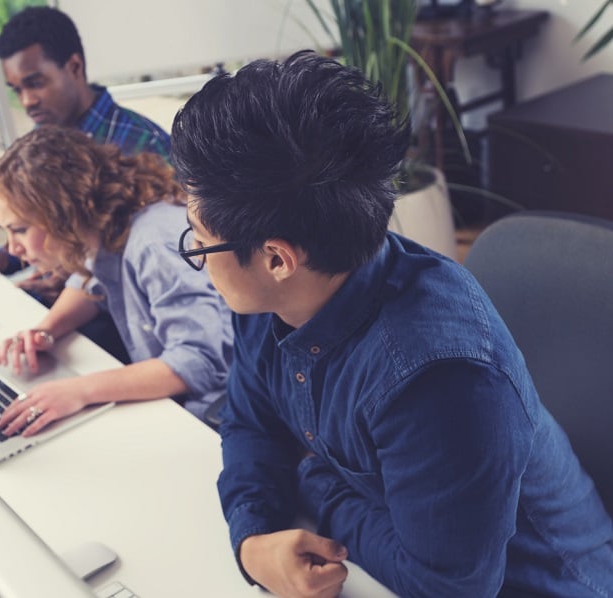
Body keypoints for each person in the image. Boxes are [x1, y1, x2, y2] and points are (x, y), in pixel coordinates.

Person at [169, 50, 613, 598]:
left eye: (199, 238)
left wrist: (314, 481)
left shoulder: (436, 377)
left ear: (277, 259)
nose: (198, 254)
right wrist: (253, 536)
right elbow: (250, 424)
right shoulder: (271, 299)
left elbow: (446, 587)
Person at [0, 125, 231, 435]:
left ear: (62, 213)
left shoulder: (152, 244)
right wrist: (44, 331)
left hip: (205, 420)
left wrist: (79, 391)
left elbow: (198, 362)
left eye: (19, 230)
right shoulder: (103, 228)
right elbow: (89, 282)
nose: (11, 248)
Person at [0, 5, 171, 287]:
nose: (26, 101)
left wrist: (72, 278)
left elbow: (166, 255)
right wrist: (6, 259)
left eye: (35, 83)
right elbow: (49, 227)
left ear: (74, 67)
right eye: (17, 89)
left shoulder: (142, 144)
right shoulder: (39, 144)